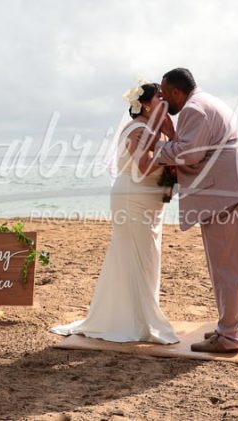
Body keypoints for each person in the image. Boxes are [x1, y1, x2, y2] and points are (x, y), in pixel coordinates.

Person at [156, 68, 238, 353]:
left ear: (176, 92)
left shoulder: (193, 108)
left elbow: (190, 154)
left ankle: (228, 336)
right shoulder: (209, 102)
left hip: (230, 194)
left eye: (164, 94)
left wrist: (156, 148)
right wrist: (171, 137)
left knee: (228, 268)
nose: (162, 100)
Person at [51, 82, 179, 344]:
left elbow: (165, 162)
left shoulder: (153, 129)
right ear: (146, 105)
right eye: (159, 97)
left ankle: (134, 317)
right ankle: (135, 321)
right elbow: (143, 167)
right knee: (136, 256)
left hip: (148, 201)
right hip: (133, 199)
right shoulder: (138, 129)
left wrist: (171, 137)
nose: (164, 101)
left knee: (145, 257)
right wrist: (166, 139)